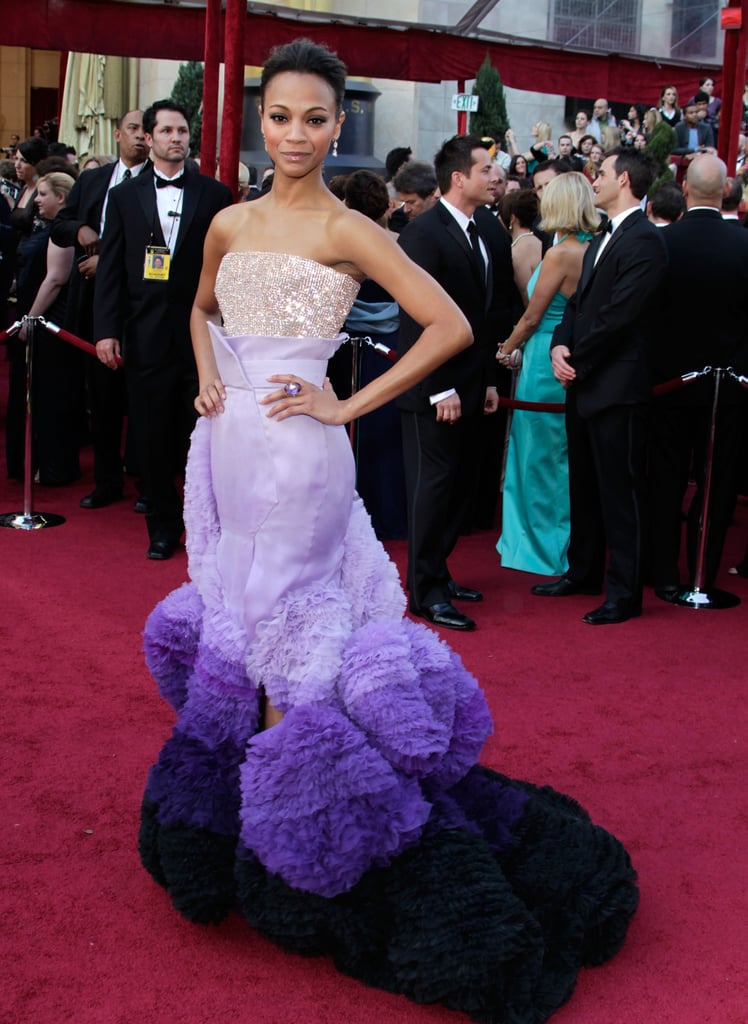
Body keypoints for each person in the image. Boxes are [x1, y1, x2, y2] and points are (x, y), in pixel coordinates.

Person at [137, 39, 640, 1024]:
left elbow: (448, 325)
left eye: (315, 119)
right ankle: (269, 804)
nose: (295, 134)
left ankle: (297, 827)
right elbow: (196, 307)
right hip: (227, 451)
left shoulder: (347, 228)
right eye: (279, 116)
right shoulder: (229, 220)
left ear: (336, 126)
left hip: (299, 459)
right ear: (258, 119)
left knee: (286, 634)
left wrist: (345, 405)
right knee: (237, 617)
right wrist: (207, 372)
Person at [93, 100, 232, 559]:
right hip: (144, 332)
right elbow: (110, 266)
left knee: (203, 431)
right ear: (148, 138)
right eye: (167, 131)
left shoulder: (215, 195)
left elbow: (229, 268)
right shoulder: (125, 196)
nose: (177, 138)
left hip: (202, 334)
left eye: (182, 131)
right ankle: (163, 526)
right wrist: (106, 330)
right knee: (151, 434)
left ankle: (208, 525)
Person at [534, 148, 667, 624]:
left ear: (624, 180)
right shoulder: (599, 237)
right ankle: (582, 572)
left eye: (602, 174)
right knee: (583, 485)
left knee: (619, 492)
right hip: (585, 380)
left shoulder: (646, 241)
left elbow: (620, 317)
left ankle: (624, 593)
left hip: (617, 385)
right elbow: (577, 304)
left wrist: (578, 360)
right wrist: (558, 346)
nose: (594, 182)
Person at [396, 134, 515, 630]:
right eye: (486, 168)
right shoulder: (423, 234)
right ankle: (424, 592)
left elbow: (486, 317)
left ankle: (438, 574)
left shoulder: (486, 227)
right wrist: (437, 386)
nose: (496, 176)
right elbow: (414, 320)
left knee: (456, 491)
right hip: (432, 391)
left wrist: (488, 380)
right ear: (458, 178)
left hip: (471, 383)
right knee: (432, 489)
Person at [648, 155, 748, 599]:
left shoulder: (662, 242)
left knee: (666, 477)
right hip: (731, 388)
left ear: (684, 188)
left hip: (669, 382)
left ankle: (665, 573)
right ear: (726, 190)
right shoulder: (744, 244)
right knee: (717, 482)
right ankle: (703, 576)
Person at [497, 172, 598, 576]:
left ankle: (541, 549)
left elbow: (531, 317)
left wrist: (505, 349)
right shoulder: (593, 247)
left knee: (538, 458)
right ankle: (555, 543)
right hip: (567, 353)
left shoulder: (560, 254)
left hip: (542, 360)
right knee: (557, 457)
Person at [51, 109, 150, 510]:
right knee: (103, 399)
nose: (140, 137)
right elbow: (60, 224)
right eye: (133, 130)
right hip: (94, 309)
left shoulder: (158, 185)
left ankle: (147, 483)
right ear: (117, 134)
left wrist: (107, 260)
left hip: (142, 310)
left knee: (143, 400)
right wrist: (78, 230)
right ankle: (106, 481)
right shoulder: (92, 180)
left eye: (147, 131)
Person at [11, 171, 84, 485]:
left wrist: (30, 318)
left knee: (52, 395)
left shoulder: (61, 231)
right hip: (40, 318)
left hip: (52, 322)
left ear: (61, 197)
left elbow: (55, 279)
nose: (36, 200)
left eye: (42, 194)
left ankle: (55, 466)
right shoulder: (46, 228)